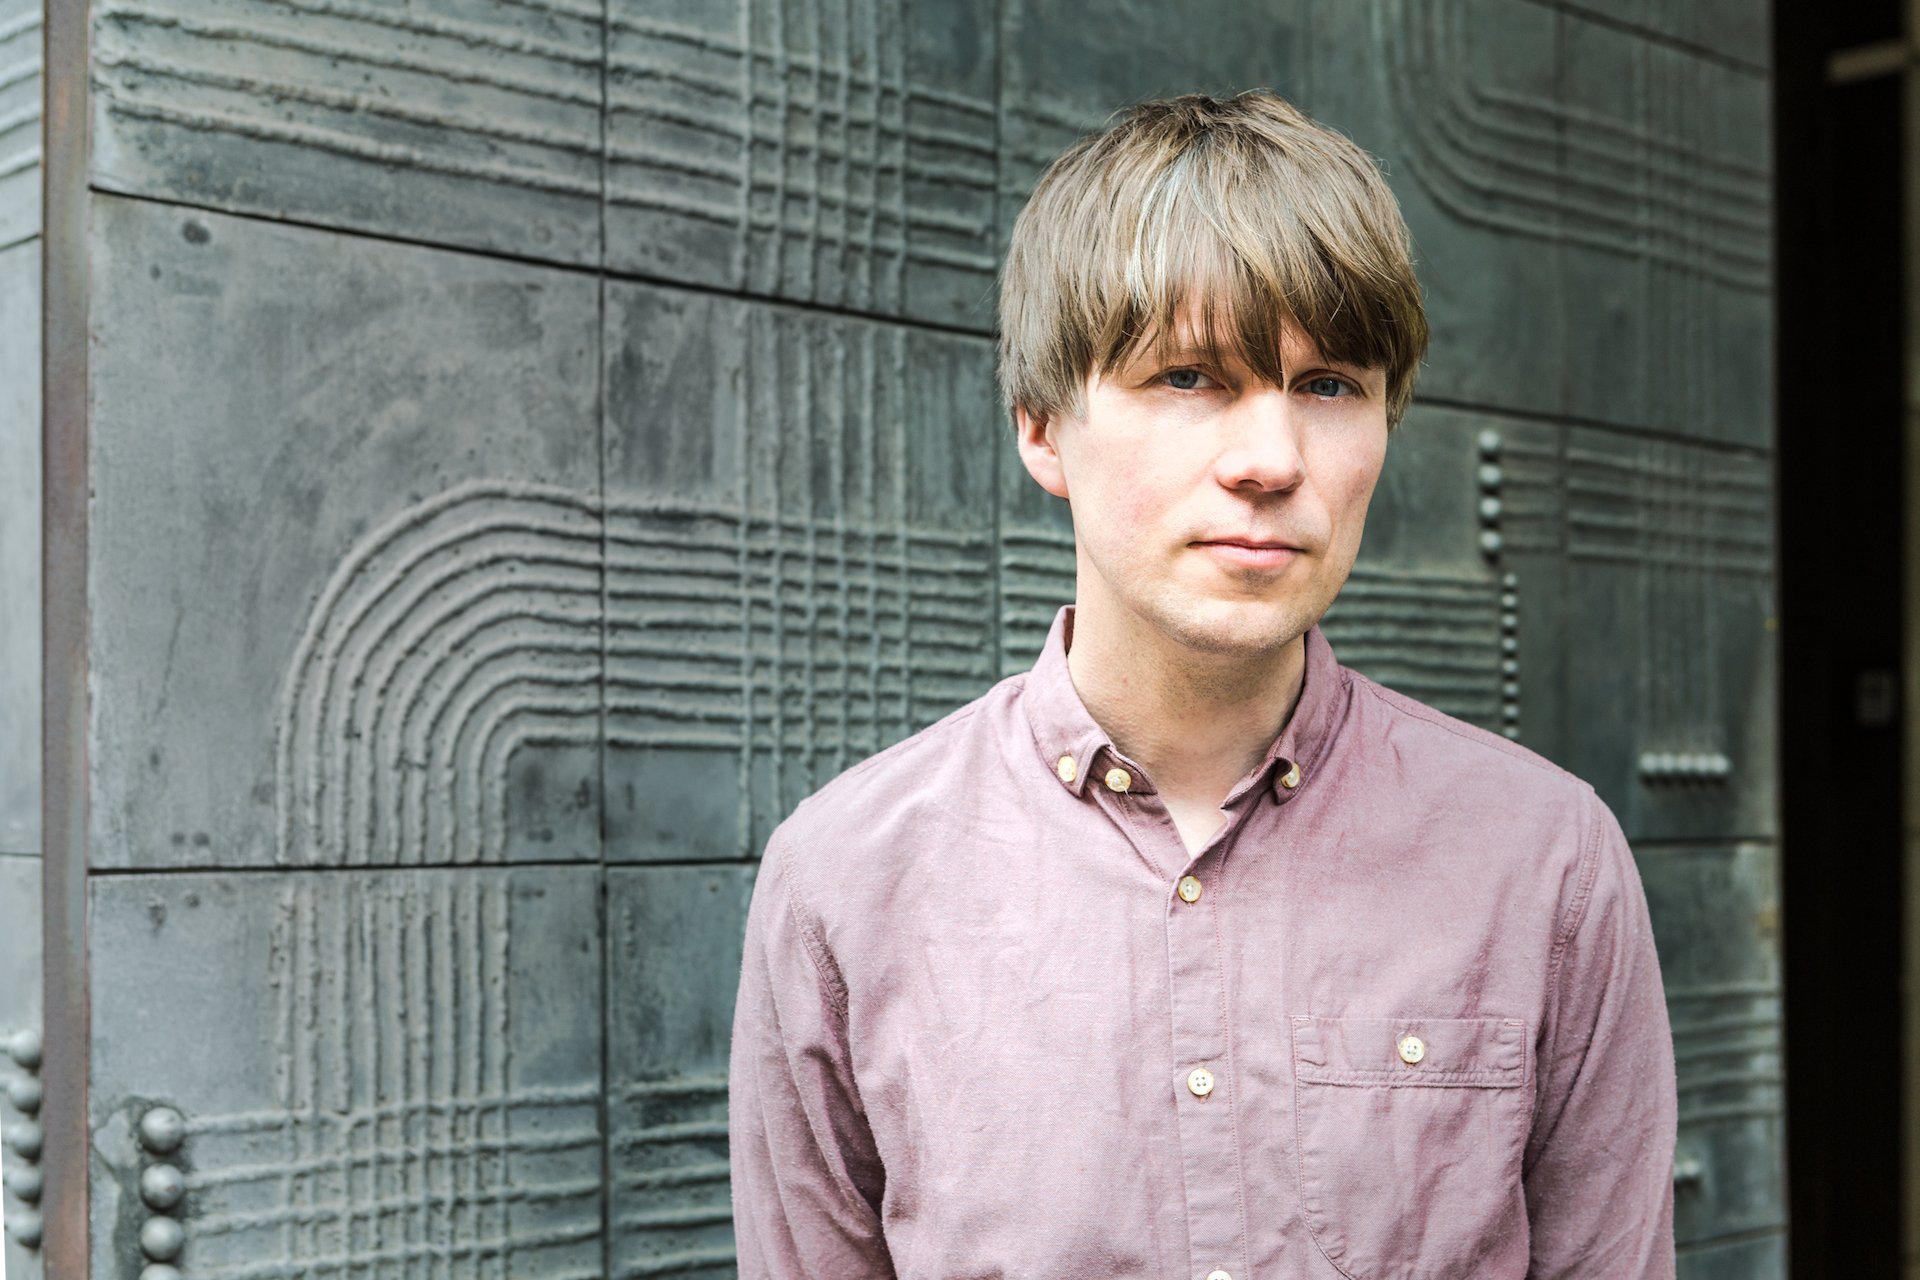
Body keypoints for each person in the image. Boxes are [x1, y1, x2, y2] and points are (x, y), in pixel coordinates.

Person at [728, 89, 1676, 1280]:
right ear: (1042, 426)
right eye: (1188, 376)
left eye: (1329, 384)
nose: (1271, 460)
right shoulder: (844, 882)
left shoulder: (1547, 863)